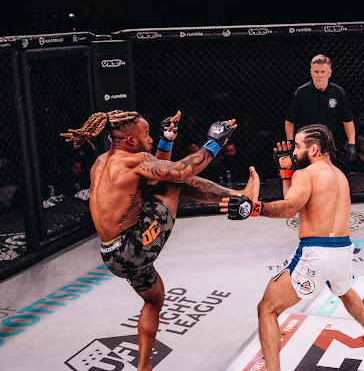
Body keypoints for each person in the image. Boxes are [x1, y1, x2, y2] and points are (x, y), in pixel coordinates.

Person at [60, 109, 259, 371]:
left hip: (110, 255)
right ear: (131, 140)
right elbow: (177, 172)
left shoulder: (100, 163)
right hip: (133, 248)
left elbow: (155, 174)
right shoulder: (132, 161)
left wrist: (166, 141)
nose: (150, 139)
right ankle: (241, 196)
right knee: (175, 183)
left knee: (154, 299)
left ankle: (144, 366)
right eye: (147, 135)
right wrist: (214, 143)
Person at [220, 124, 364, 371]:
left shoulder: (306, 174)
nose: (294, 152)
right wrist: (286, 172)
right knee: (344, 290)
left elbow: (289, 208)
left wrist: (255, 208)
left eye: (297, 146)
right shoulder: (340, 176)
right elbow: (295, 202)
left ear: (314, 150)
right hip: (343, 251)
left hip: (316, 253)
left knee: (267, 309)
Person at [285, 55, 357, 162]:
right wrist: (291, 144)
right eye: (316, 72)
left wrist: (351, 143)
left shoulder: (338, 93)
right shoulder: (301, 93)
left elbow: (348, 120)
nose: (319, 75)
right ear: (311, 72)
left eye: (323, 72)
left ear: (329, 73)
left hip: (329, 144)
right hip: (305, 144)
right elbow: (290, 121)